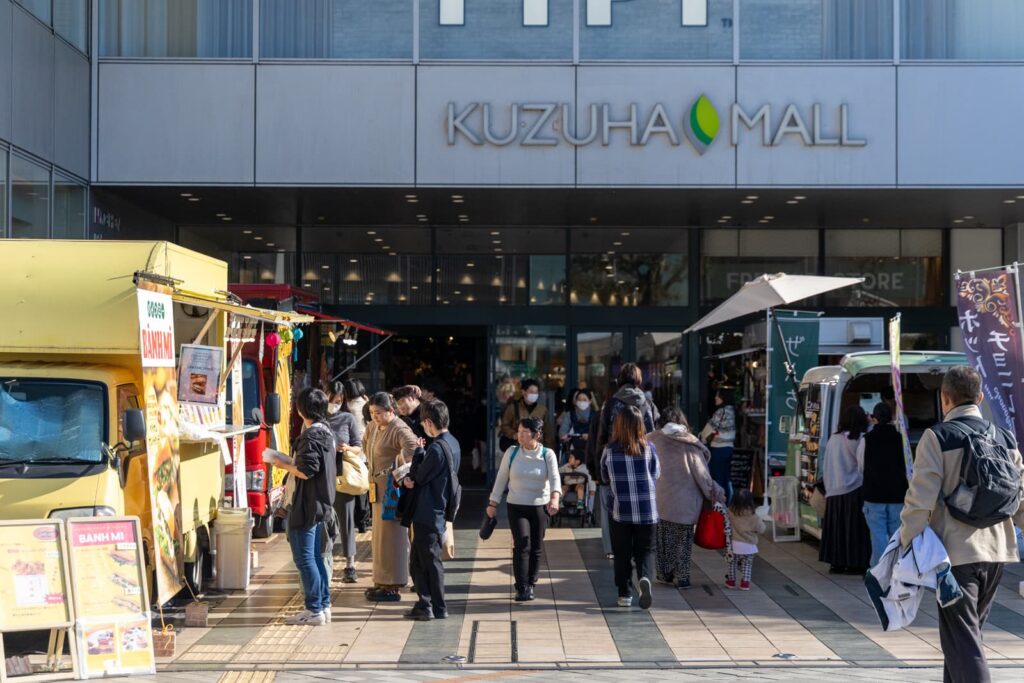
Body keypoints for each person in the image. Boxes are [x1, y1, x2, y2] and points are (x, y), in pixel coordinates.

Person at [898, 366, 1024, 683]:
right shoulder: (1004, 438)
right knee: (962, 636)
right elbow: (1019, 498)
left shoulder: (937, 437)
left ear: (944, 398)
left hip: (954, 556)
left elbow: (920, 500)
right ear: (979, 398)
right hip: (997, 553)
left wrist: (906, 544)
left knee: (964, 640)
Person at [647, 406, 725, 589]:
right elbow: (702, 475)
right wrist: (713, 493)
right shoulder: (690, 443)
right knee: (683, 541)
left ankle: (664, 574)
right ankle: (682, 577)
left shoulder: (652, 440)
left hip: (659, 500)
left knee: (663, 539)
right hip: (685, 503)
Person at [278, 388, 337, 625]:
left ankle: (314, 610)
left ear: (301, 409)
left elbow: (306, 470)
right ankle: (323, 605)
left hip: (306, 504)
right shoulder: (327, 433)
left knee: (304, 559)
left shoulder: (310, 437)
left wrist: (280, 463)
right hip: (321, 503)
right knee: (315, 557)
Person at [486, 416, 561, 602]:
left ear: (536, 435)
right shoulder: (511, 453)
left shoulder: (547, 454)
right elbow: (501, 478)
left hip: (540, 506)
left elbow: (555, 478)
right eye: (518, 432)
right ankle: (521, 587)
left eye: (524, 432)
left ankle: (531, 583)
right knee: (521, 544)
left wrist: (555, 498)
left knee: (536, 546)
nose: (519, 435)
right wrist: (493, 503)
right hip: (516, 505)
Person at [588, 363, 657, 559]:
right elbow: (652, 434)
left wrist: (598, 469)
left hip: (614, 459)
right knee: (640, 505)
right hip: (640, 460)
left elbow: (601, 437)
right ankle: (637, 550)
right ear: (638, 379)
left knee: (609, 507)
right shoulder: (646, 402)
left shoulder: (611, 403)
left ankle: (612, 549)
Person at [400, 399, 460, 621]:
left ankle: (431, 606)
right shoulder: (453, 442)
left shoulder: (435, 448)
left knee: (426, 562)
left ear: (428, 422)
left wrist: (418, 453)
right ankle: (429, 605)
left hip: (427, 510)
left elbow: (418, 477)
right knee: (423, 559)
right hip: (438, 508)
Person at [602, 405, 660, 609]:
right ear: (640, 425)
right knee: (646, 550)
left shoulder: (609, 450)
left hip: (621, 510)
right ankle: (644, 578)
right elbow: (656, 473)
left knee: (622, 553)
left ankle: (624, 594)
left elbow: (604, 477)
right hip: (647, 510)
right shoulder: (649, 448)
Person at [363, 391, 419, 602]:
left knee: (392, 538)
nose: (375, 416)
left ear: (390, 411)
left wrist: (397, 474)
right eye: (372, 412)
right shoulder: (372, 427)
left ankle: (393, 584)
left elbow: (414, 451)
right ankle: (381, 580)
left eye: (378, 412)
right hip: (376, 489)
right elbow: (365, 445)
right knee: (379, 538)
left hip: (392, 491)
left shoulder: (399, 428)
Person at [819, 405, 871, 574]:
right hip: (854, 489)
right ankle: (854, 563)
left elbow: (826, 464)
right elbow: (863, 464)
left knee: (836, 529)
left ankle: (836, 563)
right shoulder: (861, 438)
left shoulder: (833, 439)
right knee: (854, 529)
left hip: (834, 490)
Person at [860, 401, 909, 567]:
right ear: (891, 418)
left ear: (874, 418)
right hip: (897, 494)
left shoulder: (866, 440)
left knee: (878, 534)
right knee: (896, 534)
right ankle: (896, 567)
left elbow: (861, 466)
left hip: (873, 494)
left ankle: (880, 570)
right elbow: (908, 466)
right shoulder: (901, 439)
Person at [327, 382, 363, 583]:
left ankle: (350, 564)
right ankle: (326, 561)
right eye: (331, 400)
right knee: (323, 519)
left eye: (338, 401)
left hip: (343, 476)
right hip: (322, 476)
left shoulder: (348, 418)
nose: (334, 404)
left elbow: (358, 446)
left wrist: (347, 448)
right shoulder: (317, 418)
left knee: (347, 520)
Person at [341, 378, 371, 533]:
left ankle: (350, 519)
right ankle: (363, 521)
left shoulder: (346, 408)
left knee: (350, 484)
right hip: (365, 452)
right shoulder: (367, 404)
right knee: (363, 487)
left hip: (350, 452)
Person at [699, 388, 737, 500]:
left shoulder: (721, 411)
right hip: (729, 447)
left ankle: (719, 503)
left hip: (719, 448)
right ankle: (728, 501)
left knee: (717, 477)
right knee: (726, 477)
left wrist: (702, 438)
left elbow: (710, 427)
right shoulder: (732, 411)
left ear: (723, 398)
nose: (715, 398)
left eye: (718, 395)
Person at [725, 489, 765, 591]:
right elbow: (762, 529)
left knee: (732, 563)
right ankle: (745, 583)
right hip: (748, 545)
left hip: (733, 544)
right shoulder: (753, 516)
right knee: (747, 564)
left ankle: (731, 581)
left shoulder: (730, 512)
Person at [500, 379, 554, 451]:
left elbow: (547, 432)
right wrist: (513, 434)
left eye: (536, 392)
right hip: (518, 448)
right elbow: (504, 425)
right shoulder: (513, 408)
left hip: (536, 449)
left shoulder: (543, 410)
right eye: (531, 392)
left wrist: (549, 450)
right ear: (523, 392)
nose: (534, 394)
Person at [559, 388, 597, 460]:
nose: (582, 402)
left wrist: (590, 437)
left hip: (591, 451)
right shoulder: (569, 415)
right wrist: (566, 437)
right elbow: (562, 433)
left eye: (584, 400)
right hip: (573, 452)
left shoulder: (596, 416)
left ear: (590, 401)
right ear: (576, 401)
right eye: (579, 400)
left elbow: (599, 435)